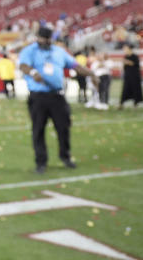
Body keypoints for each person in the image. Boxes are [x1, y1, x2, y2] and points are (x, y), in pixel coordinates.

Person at [19, 25, 98, 174]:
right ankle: (41, 162)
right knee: (38, 130)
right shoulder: (30, 51)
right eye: (42, 38)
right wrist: (33, 72)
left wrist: (91, 74)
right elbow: (23, 66)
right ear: (37, 38)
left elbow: (76, 66)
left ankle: (65, 156)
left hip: (57, 96)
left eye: (47, 38)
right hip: (38, 97)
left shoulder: (58, 51)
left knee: (63, 127)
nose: (45, 41)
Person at [118, 44, 143, 108]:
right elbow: (124, 66)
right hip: (127, 76)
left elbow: (136, 64)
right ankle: (121, 103)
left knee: (135, 90)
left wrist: (128, 62)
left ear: (129, 49)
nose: (124, 50)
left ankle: (135, 103)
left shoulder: (135, 56)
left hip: (135, 76)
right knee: (125, 90)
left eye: (125, 49)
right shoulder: (125, 56)